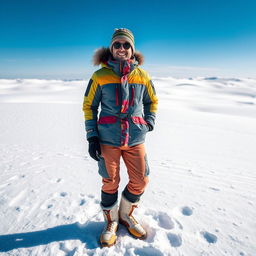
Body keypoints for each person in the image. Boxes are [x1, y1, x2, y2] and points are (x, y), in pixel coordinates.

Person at [82, 28, 158, 247]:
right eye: (117, 45)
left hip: (135, 138)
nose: (122, 48)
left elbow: (152, 101)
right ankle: (111, 222)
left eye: (126, 45)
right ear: (111, 48)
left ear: (132, 49)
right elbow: (89, 106)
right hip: (107, 139)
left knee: (141, 180)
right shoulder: (99, 76)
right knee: (110, 181)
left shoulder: (142, 76)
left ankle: (126, 215)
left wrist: (149, 121)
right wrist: (92, 136)